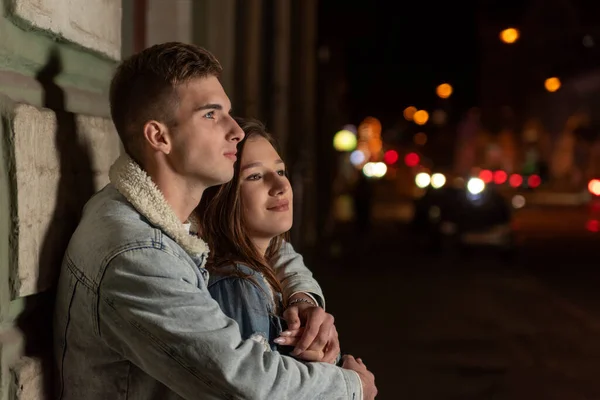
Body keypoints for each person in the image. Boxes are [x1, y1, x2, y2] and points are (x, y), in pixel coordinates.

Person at [53, 42, 377, 399]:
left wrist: (301, 297)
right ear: (159, 136)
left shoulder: (163, 214)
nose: (235, 130)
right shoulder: (136, 255)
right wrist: (352, 386)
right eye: (211, 115)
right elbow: (245, 382)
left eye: (228, 112)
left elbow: (266, 247)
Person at [198, 118, 342, 363]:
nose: (280, 185)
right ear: (220, 196)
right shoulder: (237, 283)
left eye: (280, 171)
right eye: (254, 176)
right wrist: (344, 377)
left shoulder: (262, 265)